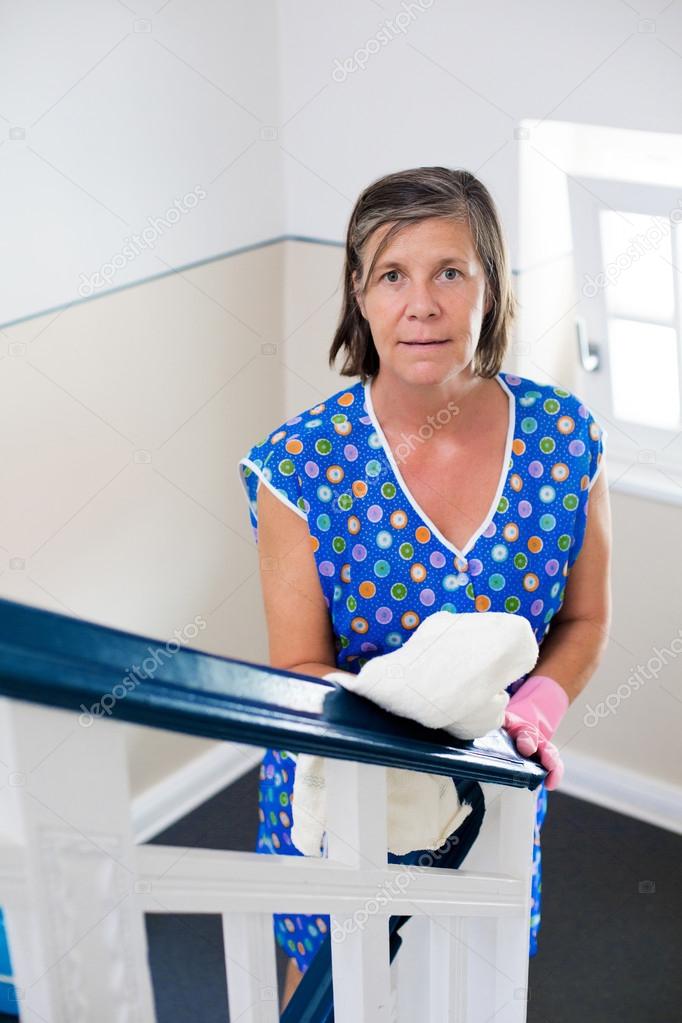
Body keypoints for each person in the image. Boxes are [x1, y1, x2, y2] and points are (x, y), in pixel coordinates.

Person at [237, 166, 612, 1010]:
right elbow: (300, 664)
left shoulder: (562, 436)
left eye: (451, 271)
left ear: (491, 286)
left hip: (494, 782)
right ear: (360, 298)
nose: (423, 304)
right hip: (342, 788)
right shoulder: (298, 466)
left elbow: (586, 616)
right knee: (334, 986)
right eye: (392, 275)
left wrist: (536, 708)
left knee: (468, 984)